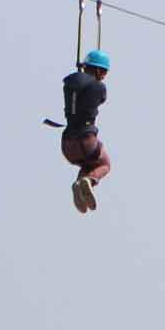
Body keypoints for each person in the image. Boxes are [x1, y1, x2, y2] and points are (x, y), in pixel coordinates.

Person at [60, 49, 112, 213]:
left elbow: (78, 84)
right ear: (98, 70)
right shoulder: (99, 87)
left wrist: (81, 73)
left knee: (88, 164)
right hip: (86, 141)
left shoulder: (69, 84)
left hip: (67, 145)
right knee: (104, 163)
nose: (104, 76)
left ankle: (80, 184)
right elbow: (101, 98)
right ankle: (90, 180)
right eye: (104, 72)